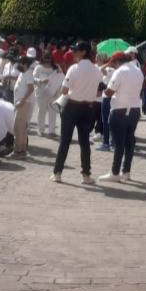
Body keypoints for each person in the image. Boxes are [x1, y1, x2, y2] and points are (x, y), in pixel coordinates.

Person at [50, 41, 103, 184]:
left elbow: (64, 90)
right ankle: (86, 175)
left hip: (72, 106)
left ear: (83, 52)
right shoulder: (97, 70)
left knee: (65, 140)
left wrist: (76, 89)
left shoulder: (74, 68)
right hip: (88, 108)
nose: (72, 53)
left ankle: (57, 173)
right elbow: (100, 90)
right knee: (84, 142)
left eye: (75, 51)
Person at [99, 48, 142, 182]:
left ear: (118, 61)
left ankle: (115, 172)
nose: (113, 65)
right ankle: (126, 171)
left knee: (119, 143)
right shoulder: (138, 70)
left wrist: (102, 87)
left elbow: (109, 92)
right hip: (135, 109)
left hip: (120, 109)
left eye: (114, 63)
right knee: (129, 142)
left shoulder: (120, 71)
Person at [10, 55, 35, 160]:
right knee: (21, 127)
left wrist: (22, 101)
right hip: (20, 103)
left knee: (18, 127)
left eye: (20, 63)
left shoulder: (28, 73)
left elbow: (31, 88)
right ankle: (22, 149)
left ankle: (19, 150)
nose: (18, 65)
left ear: (25, 64)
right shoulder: (23, 73)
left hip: (23, 103)